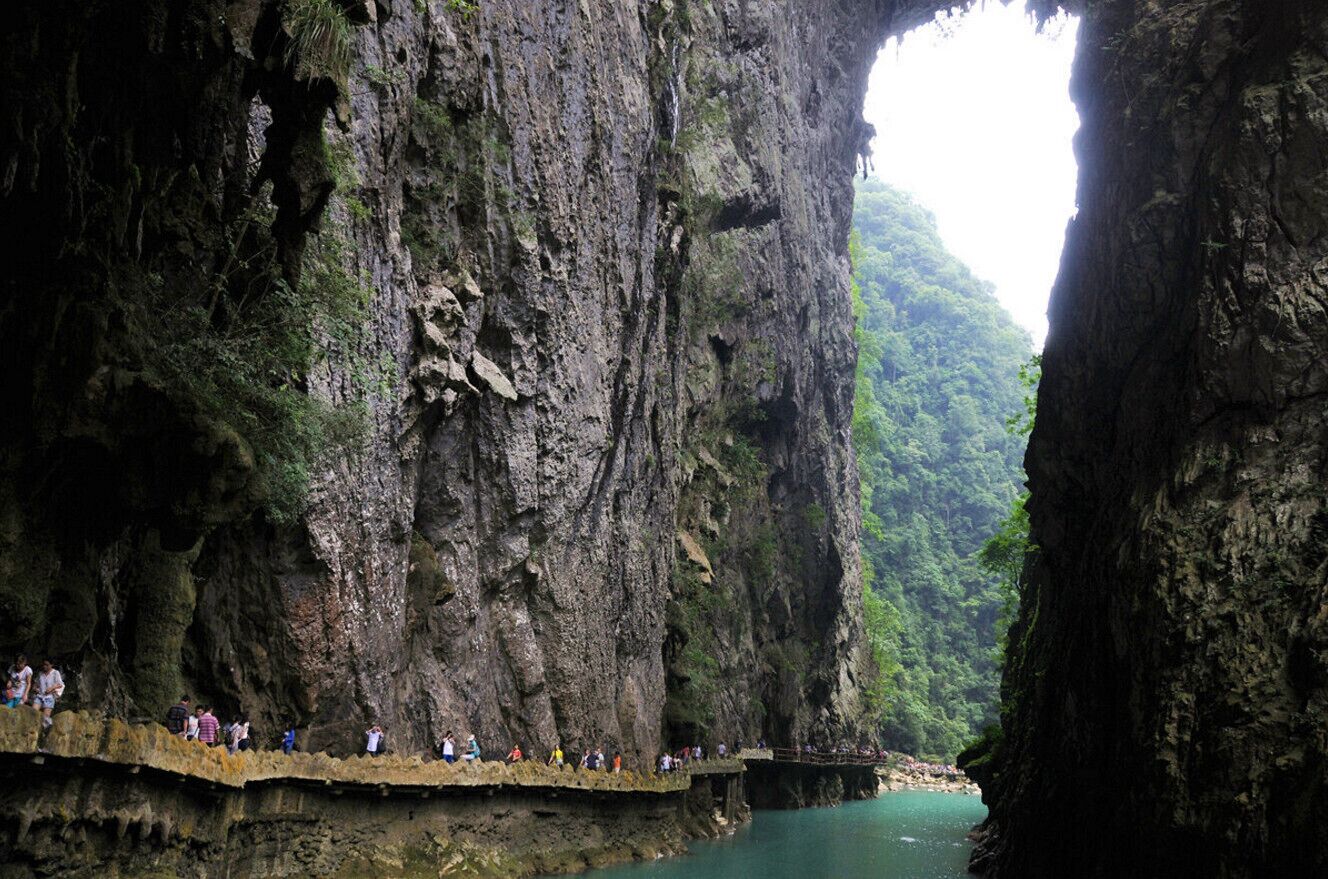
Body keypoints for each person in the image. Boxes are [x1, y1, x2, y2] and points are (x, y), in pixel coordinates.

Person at [31, 659, 64, 728]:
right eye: (44, 665)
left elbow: (60, 684)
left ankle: (45, 731)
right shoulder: (40, 673)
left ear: (51, 665)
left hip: (49, 697)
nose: (44, 666)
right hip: (39, 696)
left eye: (47, 665)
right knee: (33, 712)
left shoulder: (55, 673)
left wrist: (51, 688)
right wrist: (35, 689)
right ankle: (33, 729)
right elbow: (35, 685)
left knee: (45, 718)